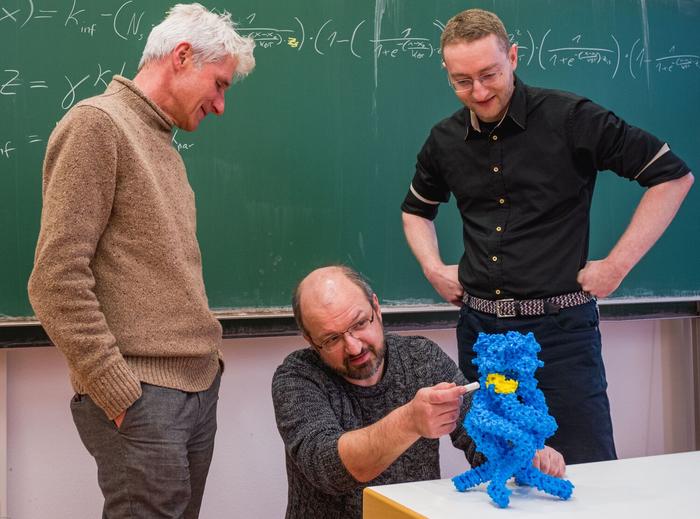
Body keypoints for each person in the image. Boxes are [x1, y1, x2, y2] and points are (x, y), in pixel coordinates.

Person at [401, 8, 694, 465]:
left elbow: (671, 176)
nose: (477, 92)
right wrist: (433, 268)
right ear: (447, 74)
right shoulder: (443, 140)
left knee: (583, 474)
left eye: (489, 75)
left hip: (559, 338)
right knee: (498, 470)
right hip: (482, 336)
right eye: (462, 81)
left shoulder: (572, 117)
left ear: (513, 57)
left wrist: (617, 265)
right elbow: (416, 211)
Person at [27, 4, 255, 517]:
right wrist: (117, 391)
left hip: (194, 387)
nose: (220, 105)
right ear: (181, 56)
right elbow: (54, 279)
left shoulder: (161, 142)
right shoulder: (97, 126)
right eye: (219, 84)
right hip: (144, 395)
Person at [272, 265, 566, 519]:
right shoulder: (296, 377)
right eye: (332, 338)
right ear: (310, 340)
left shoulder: (421, 357)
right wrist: (409, 421)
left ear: (376, 307)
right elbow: (329, 468)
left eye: (360, 324)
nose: (354, 346)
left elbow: (478, 434)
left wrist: (523, 451)